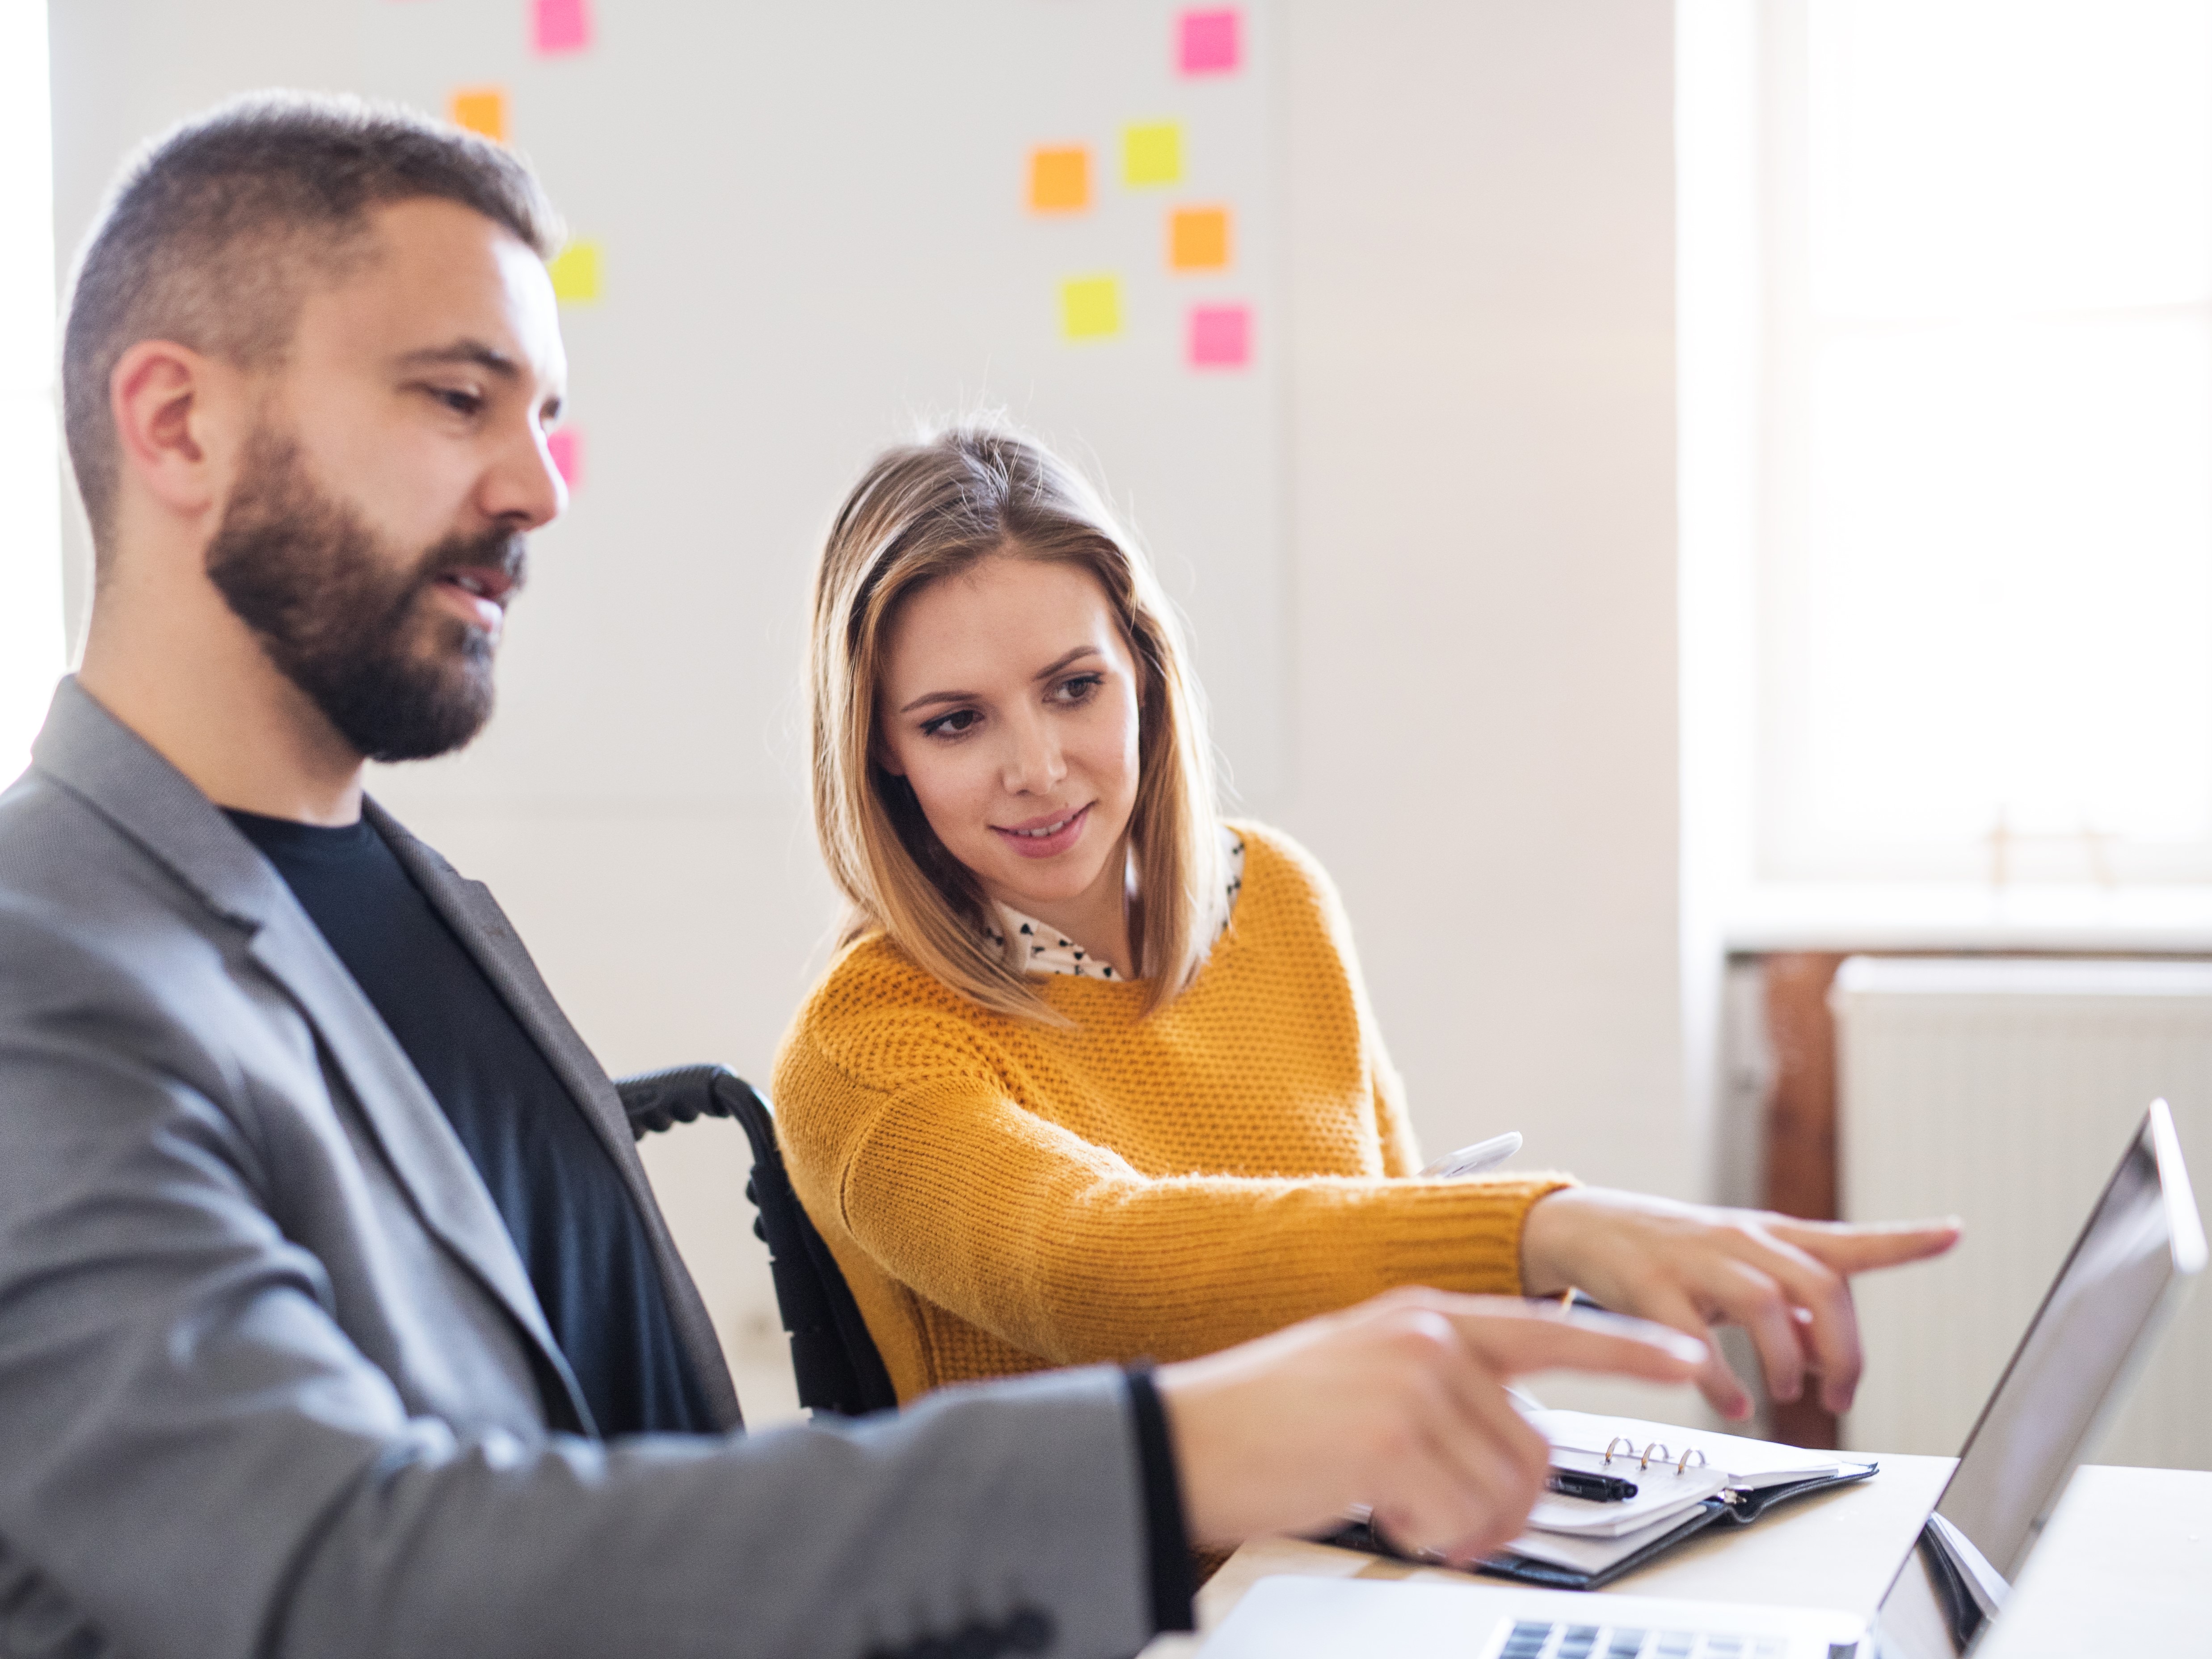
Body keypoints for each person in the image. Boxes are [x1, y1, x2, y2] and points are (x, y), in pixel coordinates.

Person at [0, 93, 1710, 1659]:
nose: (538, 487)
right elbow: (334, 1571)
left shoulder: (416, 907)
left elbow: (639, 1466)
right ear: (177, 423)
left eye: (547, 417)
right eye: (458, 398)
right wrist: (1179, 1448)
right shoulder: (46, 964)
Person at [775, 426, 1960, 1423]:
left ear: (1144, 672)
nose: (1036, 768)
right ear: (879, 746)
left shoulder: (1275, 900)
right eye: (954, 723)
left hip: (1364, 1562)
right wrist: (1543, 1229)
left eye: (1073, 688)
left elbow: (1387, 1249)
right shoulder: (866, 1046)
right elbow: (1094, 1263)